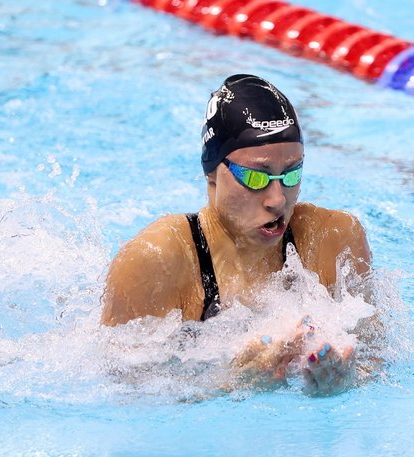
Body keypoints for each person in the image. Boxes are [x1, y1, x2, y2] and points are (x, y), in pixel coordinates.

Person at [101, 74, 373, 394]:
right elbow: (124, 397)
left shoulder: (334, 240)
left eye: (292, 173)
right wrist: (231, 388)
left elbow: (378, 356)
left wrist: (348, 380)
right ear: (213, 173)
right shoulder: (154, 261)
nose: (277, 200)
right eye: (256, 178)